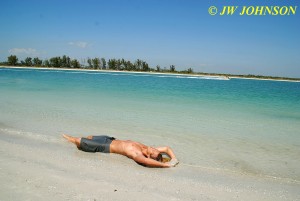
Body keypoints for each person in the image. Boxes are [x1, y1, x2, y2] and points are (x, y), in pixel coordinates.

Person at [63, 134, 179, 168]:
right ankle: (65, 139)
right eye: (156, 150)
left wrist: (165, 166)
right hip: (109, 139)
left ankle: (63, 138)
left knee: (78, 140)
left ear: (150, 156)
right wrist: (174, 159)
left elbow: (147, 162)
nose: (154, 148)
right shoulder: (146, 148)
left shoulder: (137, 154)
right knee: (88, 137)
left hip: (105, 147)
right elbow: (167, 148)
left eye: (155, 152)